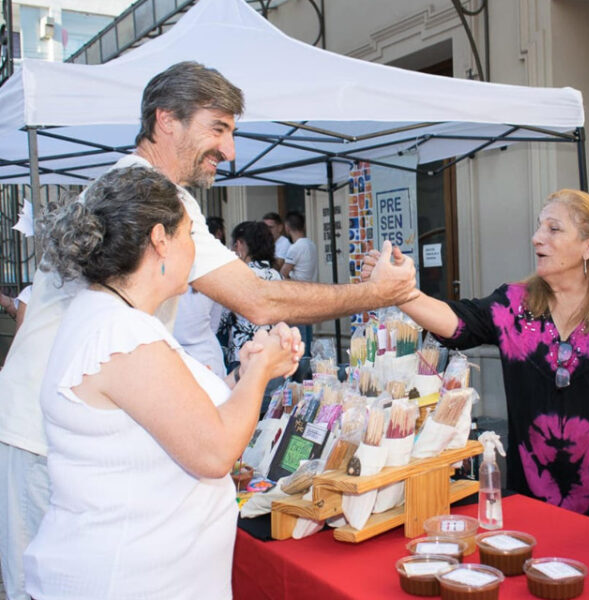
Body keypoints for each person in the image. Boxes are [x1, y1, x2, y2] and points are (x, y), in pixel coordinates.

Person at [0, 60, 416, 600]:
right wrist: (378, 294)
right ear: (165, 120)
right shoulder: (153, 199)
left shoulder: (132, 199)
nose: (230, 150)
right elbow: (258, 298)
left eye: (233, 132)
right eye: (218, 128)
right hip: (43, 441)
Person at [23, 167, 300, 599]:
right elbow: (213, 451)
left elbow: (181, 414)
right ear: (160, 240)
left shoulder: (115, 319)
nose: (197, 249)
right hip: (128, 579)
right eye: (191, 234)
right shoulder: (122, 334)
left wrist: (245, 370)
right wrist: (261, 372)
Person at [364, 189, 589, 531]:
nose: (536, 238)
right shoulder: (516, 304)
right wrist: (402, 294)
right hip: (534, 509)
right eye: (538, 227)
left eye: (553, 229)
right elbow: (458, 322)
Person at [219, 221, 282, 366]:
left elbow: (222, 319)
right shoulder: (276, 275)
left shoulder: (238, 276)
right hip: (273, 352)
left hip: (243, 354)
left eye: (233, 245)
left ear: (240, 245)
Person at [281, 211, 318, 356]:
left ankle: (302, 371)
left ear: (287, 227)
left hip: (297, 297)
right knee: (308, 335)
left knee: (299, 338)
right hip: (312, 293)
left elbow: (283, 272)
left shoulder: (295, 248)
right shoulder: (311, 244)